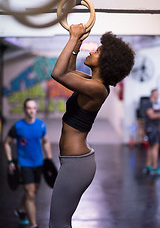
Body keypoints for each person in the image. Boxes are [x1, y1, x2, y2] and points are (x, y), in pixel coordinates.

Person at [49, 23, 135, 228]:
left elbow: (58, 74)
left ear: (105, 63)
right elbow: (68, 70)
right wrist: (77, 44)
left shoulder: (97, 89)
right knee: (59, 222)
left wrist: (72, 38)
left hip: (76, 164)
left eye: (97, 51)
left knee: (58, 223)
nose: (92, 51)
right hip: (74, 161)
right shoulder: (92, 83)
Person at [4, 98, 52, 228]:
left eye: (34, 108)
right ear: (25, 110)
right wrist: (9, 161)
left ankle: (20, 210)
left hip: (39, 163)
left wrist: (49, 158)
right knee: (30, 194)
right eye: (29, 108)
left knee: (32, 192)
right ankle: (33, 224)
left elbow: (45, 141)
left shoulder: (41, 125)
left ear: (36, 109)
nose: (31, 111)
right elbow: (6, 143)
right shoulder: (18, 126)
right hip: (24, 163)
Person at [143, 89, 160, 175]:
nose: (158, 95)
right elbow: (152, 115)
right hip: (151, 128)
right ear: (153, 94)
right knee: (155, 147)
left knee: (151, 146)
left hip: (154, 128)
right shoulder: (148, 103)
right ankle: (154, 167)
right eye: (157, 93)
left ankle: (148, 165)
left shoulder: (154, 104)